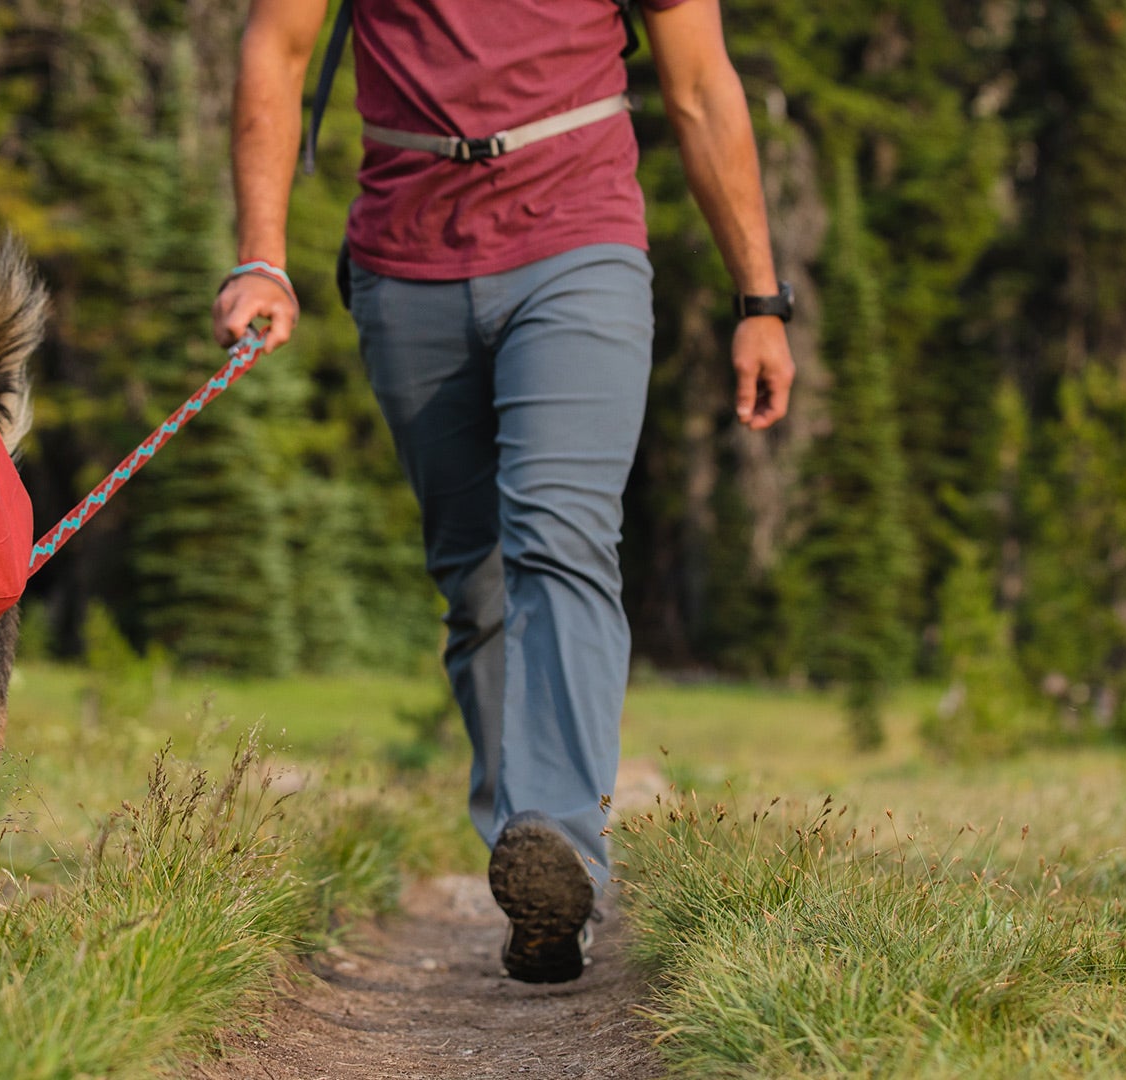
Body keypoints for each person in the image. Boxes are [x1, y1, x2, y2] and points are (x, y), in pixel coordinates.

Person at [213, 0, 795, 983]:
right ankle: (526, 868)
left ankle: (557, 846)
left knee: (559, 538)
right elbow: (275, 47)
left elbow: (700, 88)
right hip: (406, 265)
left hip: (579, 247)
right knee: (474, 575)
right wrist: (261, 258)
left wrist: (761, 301)